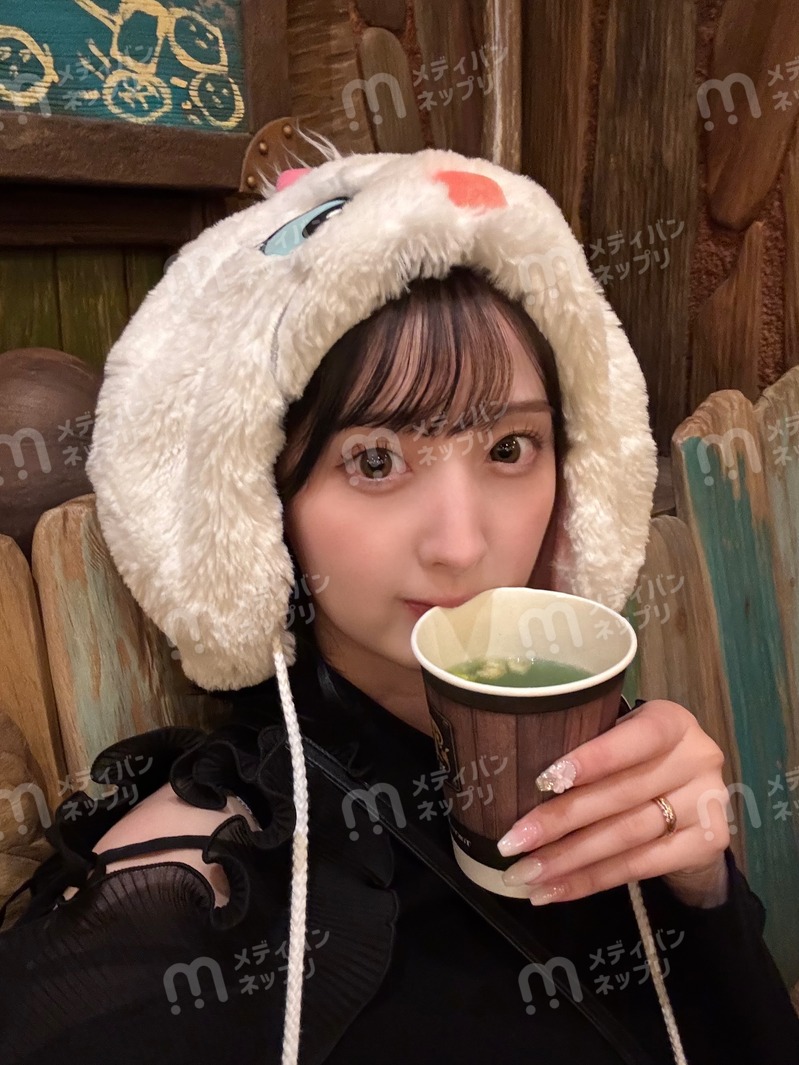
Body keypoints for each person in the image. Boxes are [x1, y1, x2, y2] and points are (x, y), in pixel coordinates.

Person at [0, 137, 797, 1065]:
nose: (460, 544)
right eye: (375, 460)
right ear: (261, 503)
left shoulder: (611, 766)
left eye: (509, 449)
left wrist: (702, 888)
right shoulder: (216, 877)